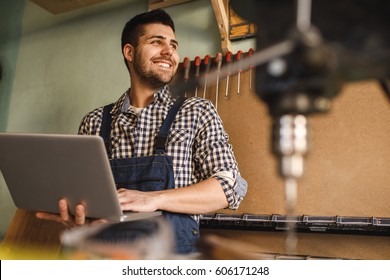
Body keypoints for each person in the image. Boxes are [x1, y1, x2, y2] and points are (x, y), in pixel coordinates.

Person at [37, 9, 247, 254]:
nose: (169, 52)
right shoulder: (94, 122)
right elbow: (81, 195)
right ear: (129, 52)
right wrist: (77, 216)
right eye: (156, 42)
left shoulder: (197, 111)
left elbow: (229, 186)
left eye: (173, 45)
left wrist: (153, 199)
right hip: (103, 258)